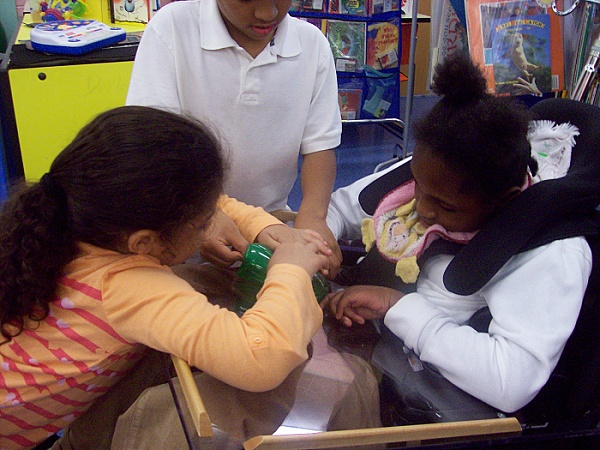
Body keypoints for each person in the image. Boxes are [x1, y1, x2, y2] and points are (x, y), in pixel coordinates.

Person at [0, 106, 332, 450]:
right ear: (144, 242)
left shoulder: (73, 216)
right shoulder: (128, 286)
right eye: (204, 222)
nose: (215, 222)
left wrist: (261, 225)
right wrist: (289, 269)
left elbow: (212, 201)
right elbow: (260, 359)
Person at [322, 55, 592, 415]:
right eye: (418, 187)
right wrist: (319, 240)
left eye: (445, 208)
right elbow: (341, 209)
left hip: (433, 398)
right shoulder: (438, 171)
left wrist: (397, 307)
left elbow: (510, 381)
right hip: (366, 348)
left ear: (505, 201)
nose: (424, 210)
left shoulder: (550, 251)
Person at [126, 0, 343, 275]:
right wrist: (205, 218)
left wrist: (313, 219)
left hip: (270, 223)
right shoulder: (172, 28)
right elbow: (154, 147)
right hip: (179, 224)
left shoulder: (312, 45)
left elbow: (320, 146)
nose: (267, 13)